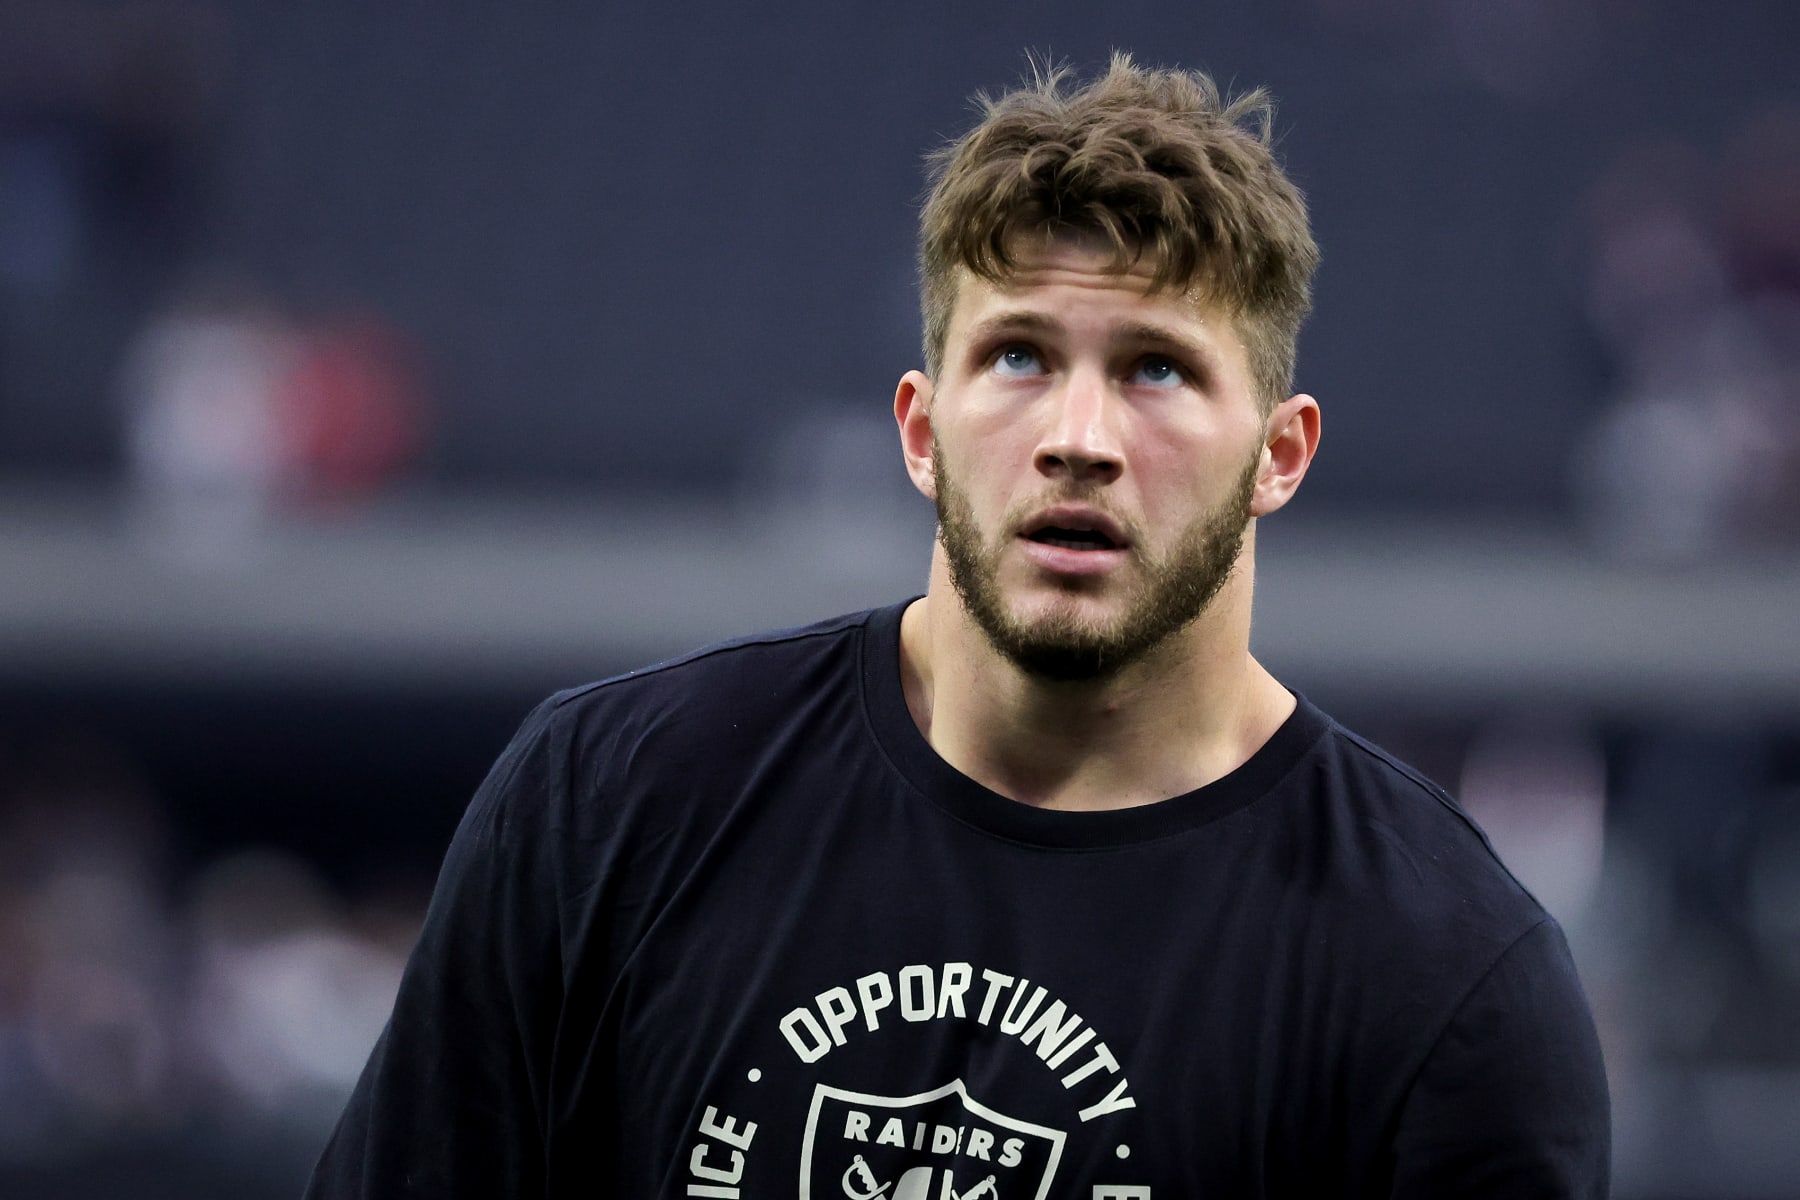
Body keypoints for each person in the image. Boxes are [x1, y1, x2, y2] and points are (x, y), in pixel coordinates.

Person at [306, 54, 1610, 1198]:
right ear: (922, 430)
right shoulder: (610, 801)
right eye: (1020, 357)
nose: (1079, 439)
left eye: (1157, 368)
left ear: (1280, 453)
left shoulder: (1442, 969)